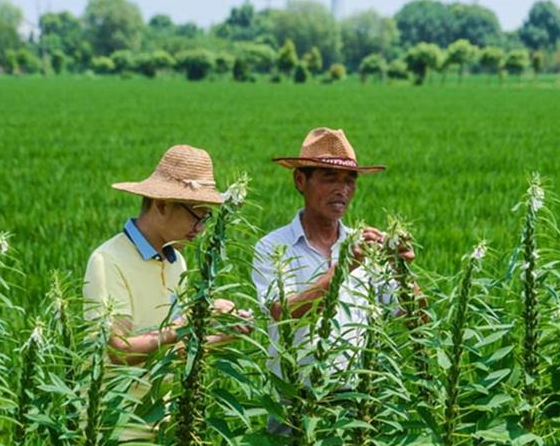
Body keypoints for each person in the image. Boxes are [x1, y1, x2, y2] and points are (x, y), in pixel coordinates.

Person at [252, 127, 418, 434]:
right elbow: (282, 313)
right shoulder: (272, 247)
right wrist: (343, 269)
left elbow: (416, 317)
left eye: (350, 180)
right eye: (329, 177)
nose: (342, 189)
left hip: (357, 406)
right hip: (293, 405)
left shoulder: (368, 247)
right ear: (300, 181)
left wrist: (402, 270)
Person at [83, 144, 251, 439]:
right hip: (115, 427)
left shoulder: (177, 262)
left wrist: (223, 335)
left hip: (164, 424)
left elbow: (171, 349)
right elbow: (118, 350)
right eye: (196, 215)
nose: (200, 228)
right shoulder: (108, 261)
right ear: (161, 204)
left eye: (206, 218)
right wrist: (191, 321)